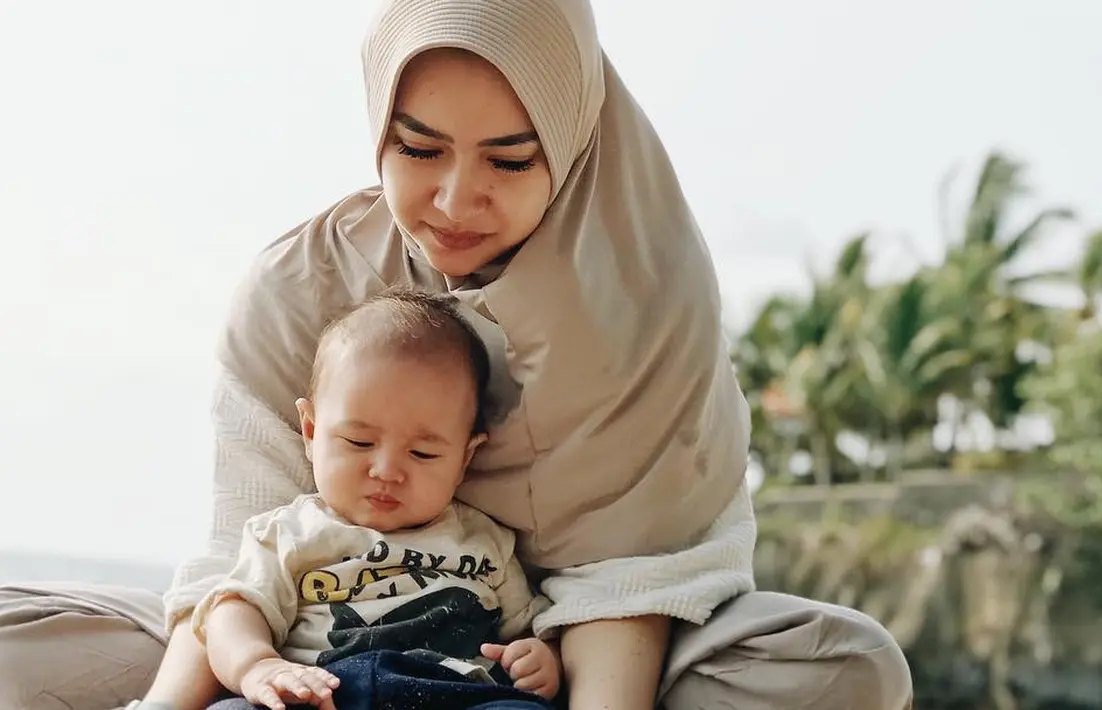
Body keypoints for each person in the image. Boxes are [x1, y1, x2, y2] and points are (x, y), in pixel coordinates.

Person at [0, 1, 914, 709]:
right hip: (300, 655)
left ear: (571, 143)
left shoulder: (644, 299)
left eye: (510, 161)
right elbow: (239, 573)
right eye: (417, 148)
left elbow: (626, 584)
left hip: (557, 667)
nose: (453, 200)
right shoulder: (298, 290)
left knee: (843, 665)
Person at [193, 288, 560, 710]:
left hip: (457, 695)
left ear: (465, 458)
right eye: (358, 441)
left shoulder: (485, 540)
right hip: (321, 693)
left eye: (423, 453)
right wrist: (258, 666)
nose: (386, 471)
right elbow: (233, 612)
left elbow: (525, 630)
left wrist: (539, 657)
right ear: (311, 432)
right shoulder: (287, 533)